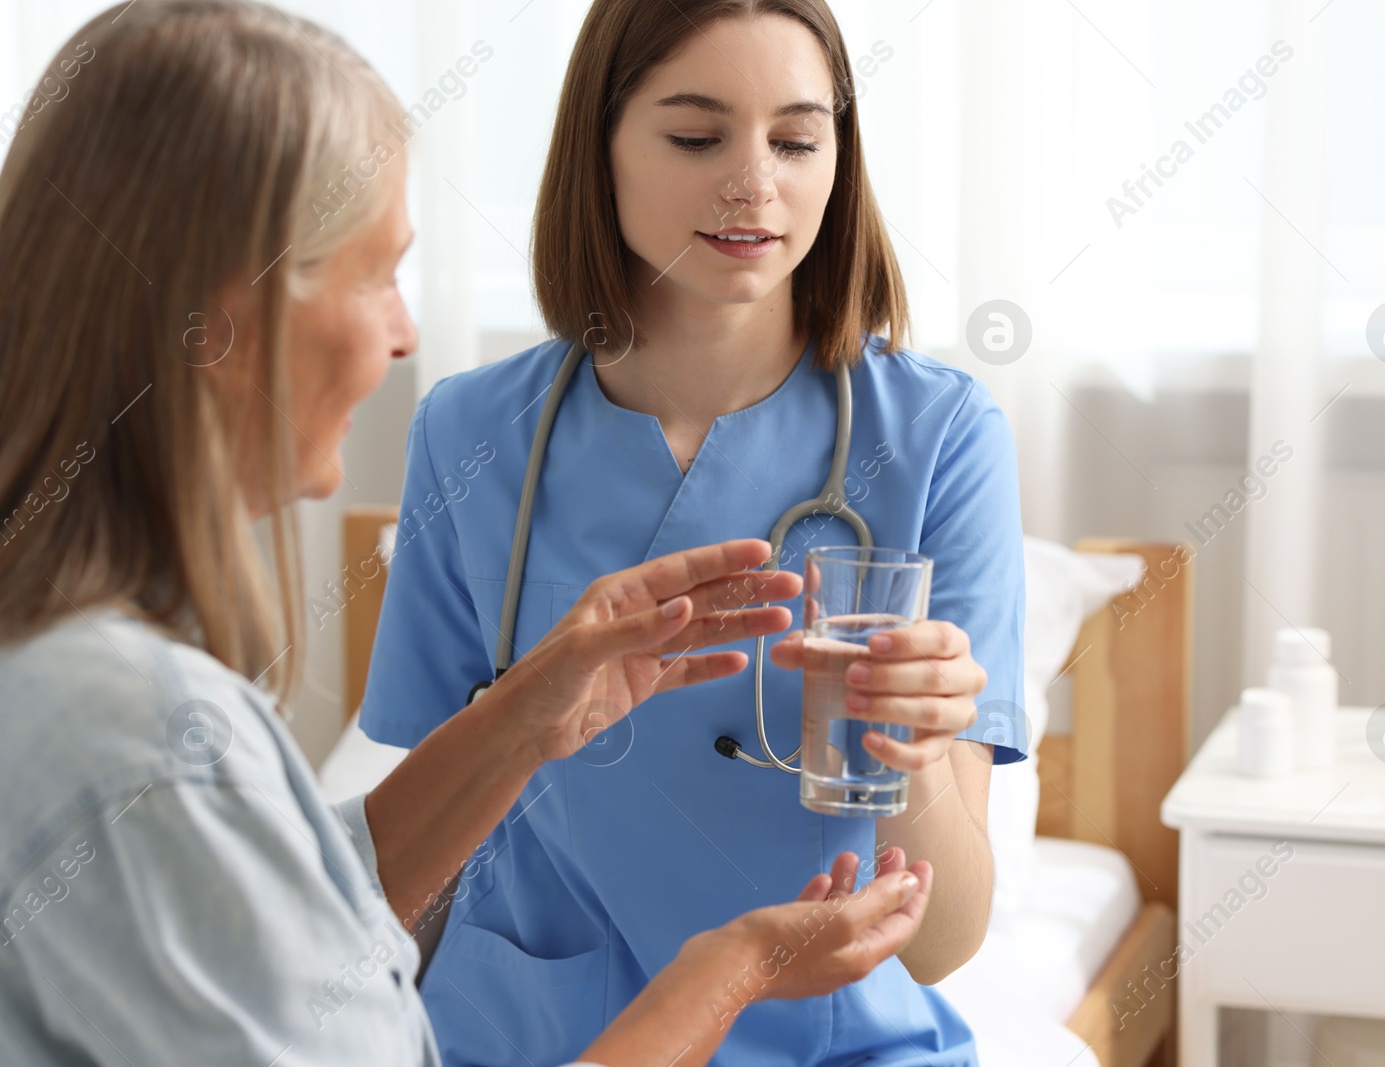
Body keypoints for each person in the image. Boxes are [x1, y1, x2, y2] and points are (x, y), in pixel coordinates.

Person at [0, 3, 934, 1065]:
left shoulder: (71, 667)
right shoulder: (142, 735)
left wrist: (525, 719)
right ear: (222, 319)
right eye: (377, 273)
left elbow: (292, 907)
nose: (405, 334)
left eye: (798, 138)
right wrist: (737, 967)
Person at [359, 0, 1028, 1063]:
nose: (754, 182)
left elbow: (942, 942)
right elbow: (405, 859)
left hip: (825, 1042)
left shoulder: (940, 436)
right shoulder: (471, 434)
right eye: (695, 134)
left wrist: (922, 745)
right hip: (528, 1034)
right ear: (602, 147)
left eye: (797, 140)